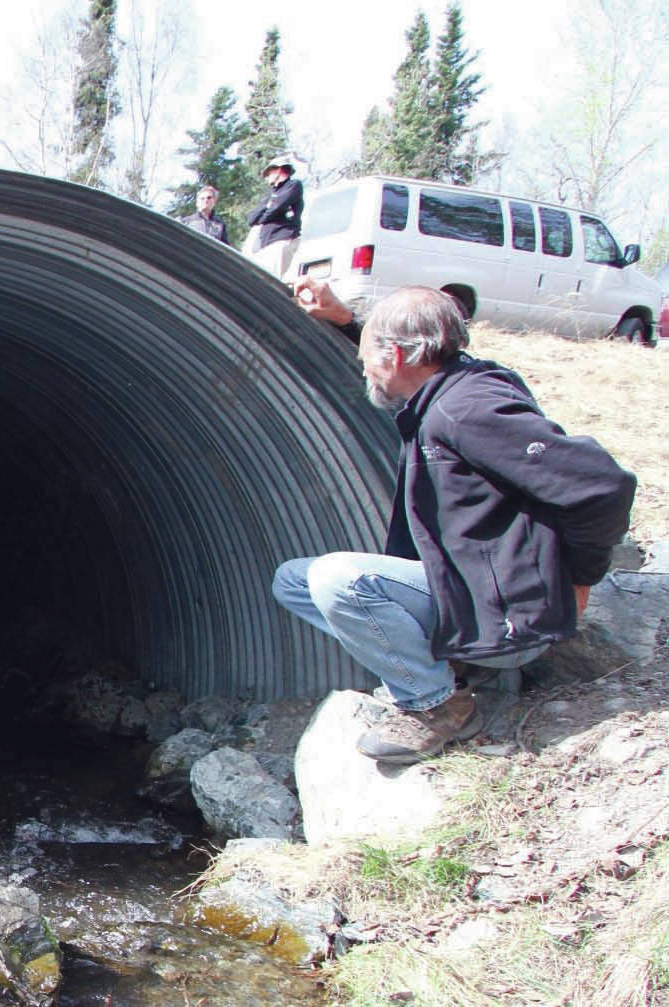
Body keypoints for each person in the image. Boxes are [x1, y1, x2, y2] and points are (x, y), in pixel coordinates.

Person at [272, 280, 636, 765]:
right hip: (472, 598)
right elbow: (405, 366)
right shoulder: (453, 385)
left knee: (338, 580)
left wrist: (580, 578)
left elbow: (603, 486)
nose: (364, 370)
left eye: (368, 359)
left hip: (508, 615)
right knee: (293, 580)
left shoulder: (467, 410)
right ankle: (447, 668)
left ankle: (435, 705)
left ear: (397, 357)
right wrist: (346, 323)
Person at [246, 156, 303, 280]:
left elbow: (276, 207)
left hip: (282, 240)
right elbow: (251, 218)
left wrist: (263, 216)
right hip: (266, 245)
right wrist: (267, 208)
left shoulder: (293, 185)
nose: (267, 177)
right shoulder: (270, 194)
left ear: (278, 170)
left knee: (275, 282)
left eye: (269, 173)